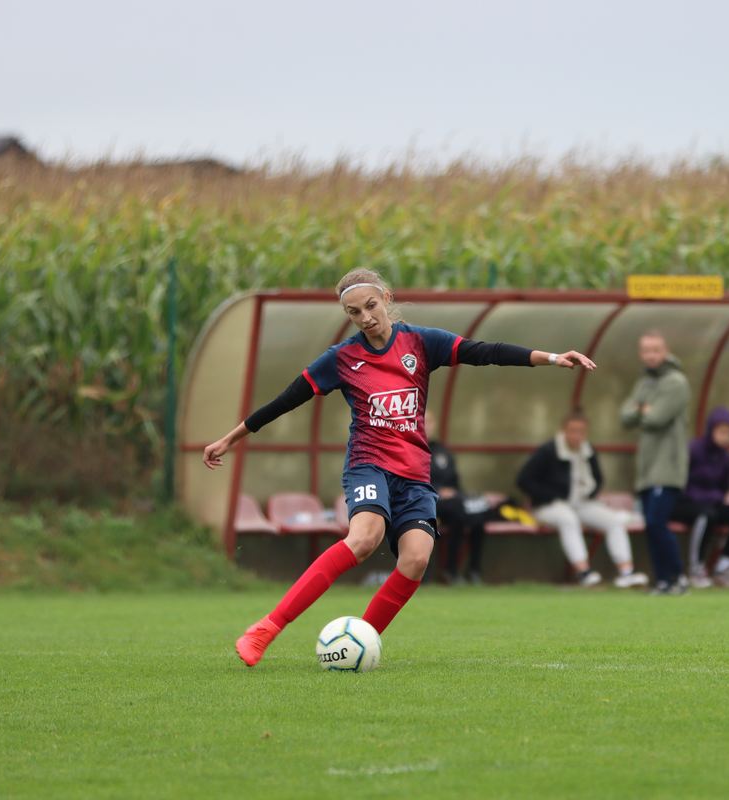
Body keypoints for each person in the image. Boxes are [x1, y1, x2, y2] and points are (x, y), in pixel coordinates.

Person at [204, 268, 597, 665]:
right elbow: (285, 401)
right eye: (354, 312)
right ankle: (266, 628)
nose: (365, 317)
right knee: (364, 538)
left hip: (414, 474)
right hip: (368, 465)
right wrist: (229, 439)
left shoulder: (421, 343)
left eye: (371, 306)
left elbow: (486, 352)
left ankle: (358, 645)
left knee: (416, 558)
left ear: (387, 298)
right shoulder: (341, 359)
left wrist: (550, 357)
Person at [516, 409, 649, 588]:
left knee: (613, 521)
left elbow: (598, 479)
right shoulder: (548, 451)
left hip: (582, 503)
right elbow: (523, 480)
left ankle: (626, 573)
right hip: (550, 506)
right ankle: (583, 572)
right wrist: (549, 495)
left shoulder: (589, 450)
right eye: (572, 431)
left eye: (581, 432)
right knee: (568, 519)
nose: (577, 436)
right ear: (563, 430)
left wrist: (590, 493)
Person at [620, 331, 691, 595]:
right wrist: (642, 409)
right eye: (646, 350)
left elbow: (656, 418)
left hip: (668, 466)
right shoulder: (644, 383)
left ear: (666, 351)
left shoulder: (676, 382)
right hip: (647, 468)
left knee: (657, 521)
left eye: (656, 350)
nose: (651, 355)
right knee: (650, 525)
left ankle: (677, 577)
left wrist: (642, 409)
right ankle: (662, 580)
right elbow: (625, 416)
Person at [673, 406, 729, 589]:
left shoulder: (726, 458)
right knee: (706, 515)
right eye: (722, 431)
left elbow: (725, 486)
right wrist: (702, 497)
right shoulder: (693, 449)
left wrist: (715, 497)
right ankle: (696, 568)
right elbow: (682, 481)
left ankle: (724, 566)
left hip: (712, 502)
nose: (725, 437)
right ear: (711, 429)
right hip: (686, 503)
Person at [427, 416, 488, 585]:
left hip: (451, 503)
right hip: (425, 501)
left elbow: (454, 481)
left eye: (429, 421)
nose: (426, 425)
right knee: (459, 511)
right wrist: (438, 490)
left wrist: (455, 492)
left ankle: (474, 570)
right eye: (422, 421)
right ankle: (450, 570)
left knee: (478, 515)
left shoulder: (442, 451)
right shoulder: (408, 447)